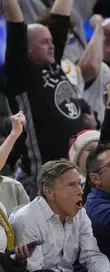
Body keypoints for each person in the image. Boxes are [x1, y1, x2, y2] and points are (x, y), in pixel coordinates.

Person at [1, 0, 86, 197]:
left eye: (51, 41)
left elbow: (60, 16)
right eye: (44, 42)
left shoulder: (53, 62)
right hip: (42, 175)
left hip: (71, 169)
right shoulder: (21, 73)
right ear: (27, 49)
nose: (52, 46)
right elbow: (15, 23)